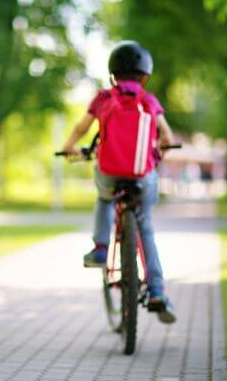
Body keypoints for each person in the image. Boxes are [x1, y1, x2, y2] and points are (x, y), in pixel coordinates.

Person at [62, 41, 177, 324]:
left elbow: (82, 127)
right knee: (146, 227)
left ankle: (101, 249)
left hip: (110, 172)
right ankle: (158, 290)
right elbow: (167, 135)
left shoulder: (103, 99)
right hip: (142, 175)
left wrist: (69, 146)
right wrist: (163, 145)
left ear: (113, 74)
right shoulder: (149, 102)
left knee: (103, 198)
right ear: (145, 76)